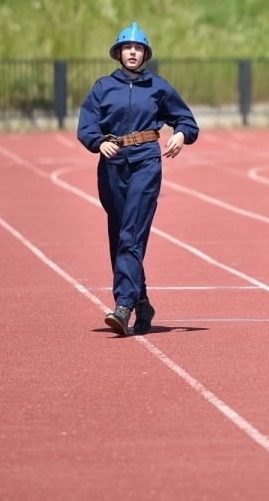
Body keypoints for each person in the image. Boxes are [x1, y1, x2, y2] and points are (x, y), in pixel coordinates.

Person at [77, 22, 199, 337]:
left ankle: (124, 305)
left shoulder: (158, 87)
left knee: (131, 232)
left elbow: (186, 119)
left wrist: (182, 133)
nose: (133, 52)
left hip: (146, 161)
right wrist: (97, 141)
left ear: (145, 53)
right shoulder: (103, 87)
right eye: (127, 47)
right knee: (120, 236)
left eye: (138, 48)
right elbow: (87, 123)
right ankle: (143, 301)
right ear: (118, 52)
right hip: (112, 165)